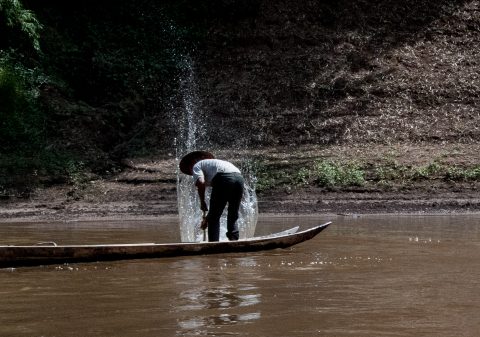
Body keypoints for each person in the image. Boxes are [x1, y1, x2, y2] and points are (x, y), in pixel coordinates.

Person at [179, 151, 244, 242]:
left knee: (214, 218)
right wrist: (207, 219)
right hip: (239, 178)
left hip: (223, 177)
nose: (191, 172)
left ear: (190, 164)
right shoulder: (213, 164)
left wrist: (202, 202)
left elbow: (201, 182)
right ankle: (233, 240)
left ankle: (214, 243)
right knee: (233, 213)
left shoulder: (196, 166)